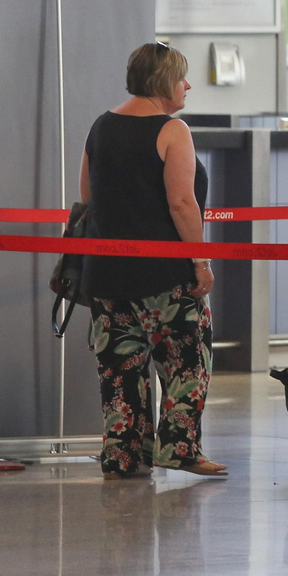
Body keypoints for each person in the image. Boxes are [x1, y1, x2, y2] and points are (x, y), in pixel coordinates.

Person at [80, 43, 224, 479]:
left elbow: (88, 197)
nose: (188, 85)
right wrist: (200, 263)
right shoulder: (172, 130)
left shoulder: (101, 126)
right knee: (187, 360)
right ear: (163, 82)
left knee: (121, 369)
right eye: (182, 77)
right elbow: (182, 202)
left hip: (106, 273)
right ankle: (178, 447)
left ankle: (123, 454)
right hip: (164, 275)